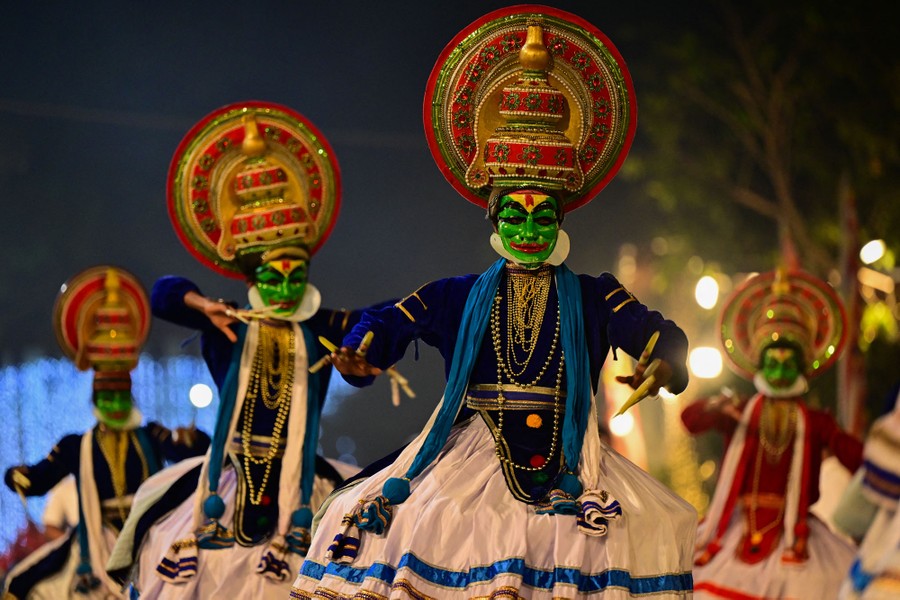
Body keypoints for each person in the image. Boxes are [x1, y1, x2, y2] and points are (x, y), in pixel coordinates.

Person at [291, 8, 696, 598]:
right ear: (494, 217)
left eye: (541, 215)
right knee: (430, 524)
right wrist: (363, 352)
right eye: (514, 213)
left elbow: (657, 332)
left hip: (570, 461)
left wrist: (666, 361)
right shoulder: (456, 295)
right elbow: (390, 320)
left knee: (639, 528)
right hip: (471, 452)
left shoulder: (593, 294)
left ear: (559, 219)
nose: (528, 228)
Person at [107, 101, 387, 598]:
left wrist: (359, 360)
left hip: (304, 483)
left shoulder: (323, 324)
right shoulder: (227, 321)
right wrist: (203, 304)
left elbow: (374, 334)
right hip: (228, 477)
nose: (284, 287)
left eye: (294, 275)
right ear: (254, 275)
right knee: (157, 519)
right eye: (272, 276)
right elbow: (163, 293)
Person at [2, 266, 209, 600]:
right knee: (22, 584)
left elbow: (194, 454)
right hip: (94, 546)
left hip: (150, 533)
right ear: (96, 398)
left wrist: (192, 440)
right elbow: (40, 478)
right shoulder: (76, 446)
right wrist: (19, 476)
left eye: (121, 395)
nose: (116, 404)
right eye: (108, 396)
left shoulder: (151, 435)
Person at [682, 269, 863, 599]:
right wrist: (714, 407)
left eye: (788, 364)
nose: (779, 373)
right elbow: (689, 420)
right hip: (733, 529)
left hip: (797, 535)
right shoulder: (739, 413)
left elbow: (857, 458)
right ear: (759, 366)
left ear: (803, 367)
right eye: (773, 363)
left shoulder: (816, 422)